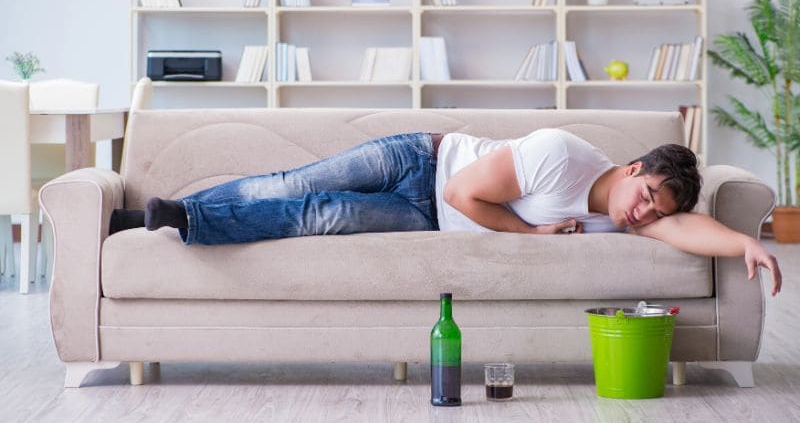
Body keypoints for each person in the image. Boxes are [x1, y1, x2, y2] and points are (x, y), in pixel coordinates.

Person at [110, 129, 782, 296]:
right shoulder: (560, 155)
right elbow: (465, 194)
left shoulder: (630, 217)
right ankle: (158, 213)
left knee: (308, 215)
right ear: (636, 168)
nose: (643, 215)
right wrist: (534, 231)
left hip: (420, 221)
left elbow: (688, 227)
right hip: (419, 163)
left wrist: (747, 244)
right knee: (290, 183)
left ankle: (178, 221)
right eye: (648, 195)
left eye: (655, 211)